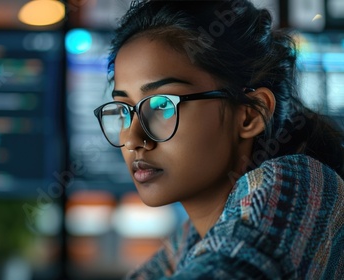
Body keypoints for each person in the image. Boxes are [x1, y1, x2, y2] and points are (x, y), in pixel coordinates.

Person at [93, 0, 344, 278]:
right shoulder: (190, 239)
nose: (133, 139)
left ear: (248, 115)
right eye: (125, 110)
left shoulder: (300, 185)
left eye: (162, 105)